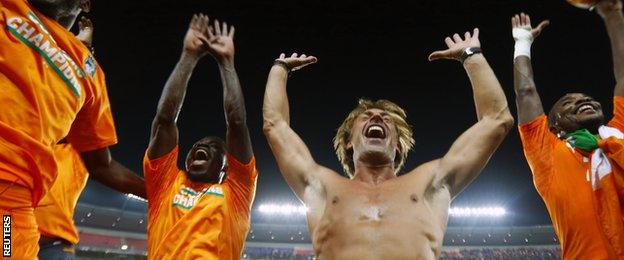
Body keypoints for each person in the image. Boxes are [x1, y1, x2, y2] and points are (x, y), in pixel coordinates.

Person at [262, 28, 514, 258]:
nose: (376, 117)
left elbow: (497, 120)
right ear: (349, 142)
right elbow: (274, 125)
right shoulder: (323, 187)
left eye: (386, 119)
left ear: (398, 146)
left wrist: (472, 56)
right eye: (367, 117)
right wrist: (279, 68)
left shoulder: (430, 182)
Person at [0, 0, 144, 258]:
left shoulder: (89, 71)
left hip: (9, 202)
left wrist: (163, 191)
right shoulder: (10, 7)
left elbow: (101, 164)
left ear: (85, 3)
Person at [512, 1, 624, 258]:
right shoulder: (548, 154)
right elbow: (525, 92)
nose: (583, 100)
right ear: (555, 126)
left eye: (587, 98)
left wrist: (612, 15)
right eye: (568, 103)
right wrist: (522, 43)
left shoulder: (617, 134)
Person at [144, 14, 257, 259]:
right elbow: (164, 120)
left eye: (213, 147)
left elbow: (237, 124)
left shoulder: (236, 193)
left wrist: (227, 63)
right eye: (196, 145)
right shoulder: (166, 183)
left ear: (226, 167)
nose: (200, 146)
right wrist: (189, 56)